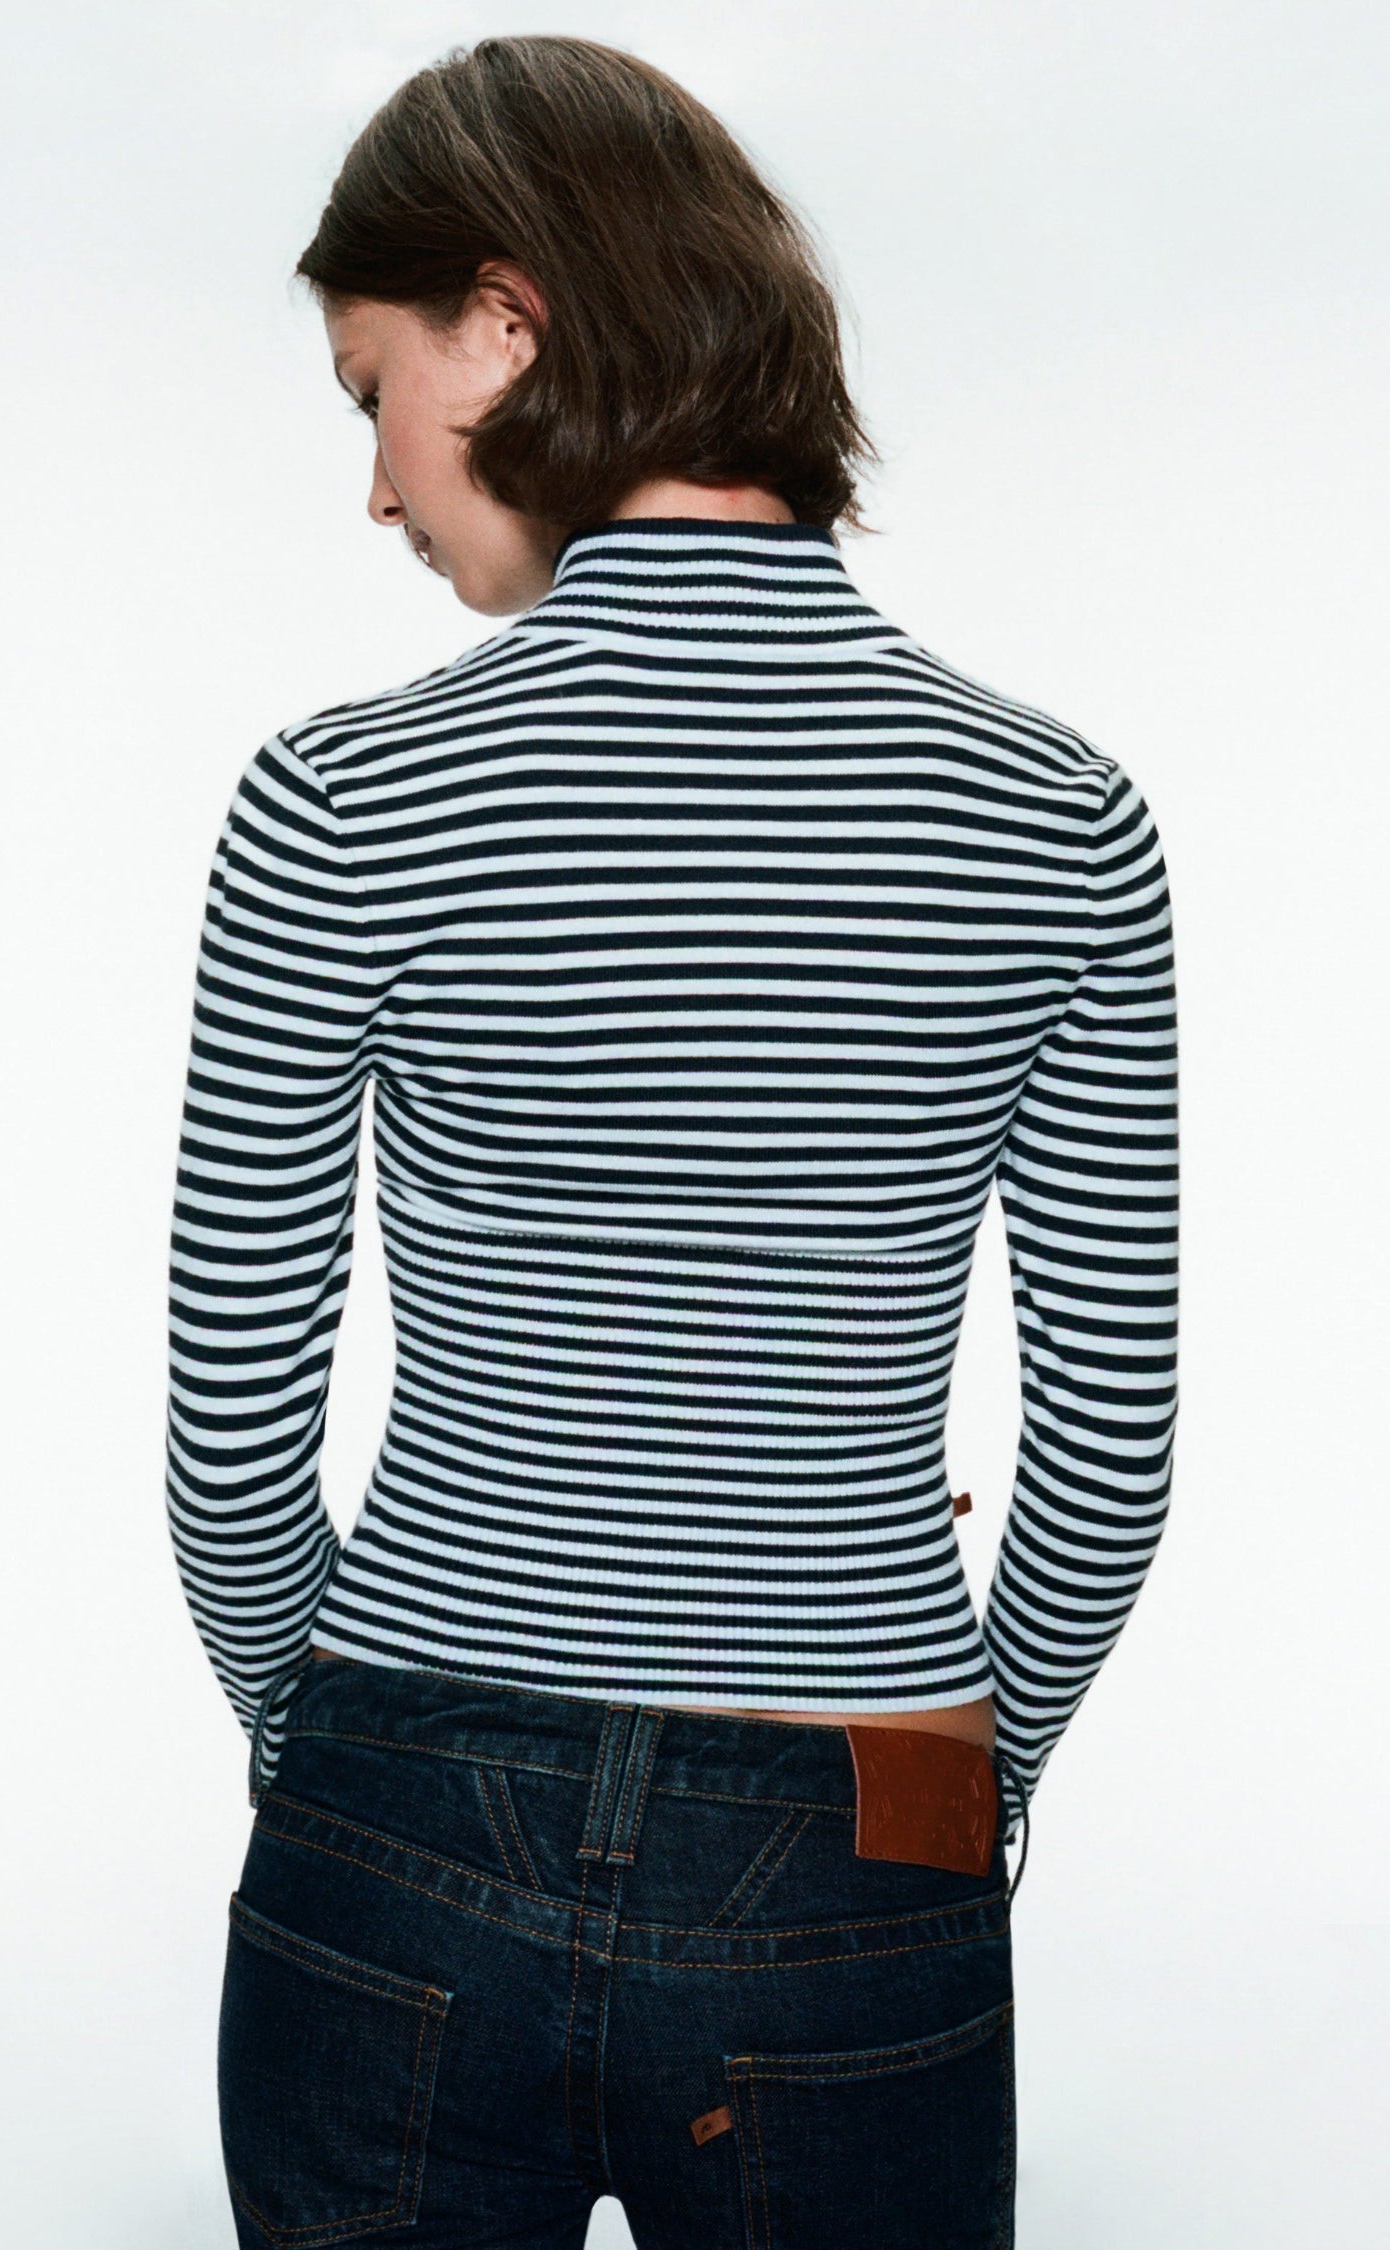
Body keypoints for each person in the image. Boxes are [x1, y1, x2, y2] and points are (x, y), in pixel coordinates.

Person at [166, 35, 1178, 2249]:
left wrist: (337, 1758)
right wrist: (952, 1787)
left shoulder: (339, 802)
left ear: (507, 323)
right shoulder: (1062, 822)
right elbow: (1109, 1450)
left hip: (401, 1786)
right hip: (863, 1815)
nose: (377, 490)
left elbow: (232, 1425)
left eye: (370, 392)